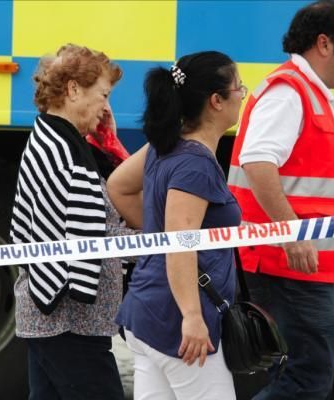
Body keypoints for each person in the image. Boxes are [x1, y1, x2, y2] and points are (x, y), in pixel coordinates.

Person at [227, 1, 334, 399]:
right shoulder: (289, 92)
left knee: (296, 378)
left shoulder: (308, 93)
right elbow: (258, 163)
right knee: (306, 381)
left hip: (304, 268)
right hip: (288, 267)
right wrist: (290, 234)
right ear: (324, 44)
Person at [107, 51, 245, 400]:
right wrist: (192, 316)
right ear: (216, 101)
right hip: (178, 321)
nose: (243, 95)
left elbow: (119, 187)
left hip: (147, 311)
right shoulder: (195, 163)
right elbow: (180, 243)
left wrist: (157, 231)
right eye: (238, 88)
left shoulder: (165, 146)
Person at [9, 43, 130, 400]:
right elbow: (93, 231)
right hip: (69, 319)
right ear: (74, 89)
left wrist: (109, 144)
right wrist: (153, 242)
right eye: (103, 95)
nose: (106, 107)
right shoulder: (64, 151)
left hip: (50, 317)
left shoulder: (55, 140)